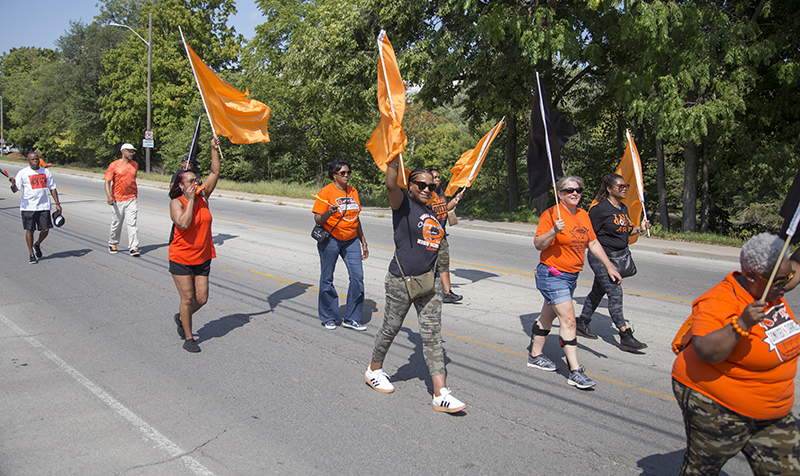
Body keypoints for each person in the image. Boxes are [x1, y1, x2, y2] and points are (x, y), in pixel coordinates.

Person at [671, 233, 800, 475]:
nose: (787, 284)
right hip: (719, 406)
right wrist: (741, 324)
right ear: (751, 275)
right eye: (780, 280)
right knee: (702, 470)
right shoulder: (719, 299)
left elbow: (796, 267)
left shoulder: (772, 288)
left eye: (789, 277)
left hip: (774, 412)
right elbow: (705, 350)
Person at [364, 156, 466, 413]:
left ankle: (440, 393)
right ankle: (374, 370)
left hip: (429, 282)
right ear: (409, 186)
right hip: (402, 279)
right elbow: (390, 186)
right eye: (420, 184)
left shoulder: (434, 212)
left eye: (430, 186)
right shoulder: (404, 206)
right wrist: (393, 160)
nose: (425, 189)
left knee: (432, 335)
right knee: (391, 327)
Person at [528, 176, 622, 389]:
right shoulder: (551, 214)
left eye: (578, 190)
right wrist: (554, 230)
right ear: (560, 193)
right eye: (569, 190)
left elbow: (593, 242)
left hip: (571, 276)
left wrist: (609, 266)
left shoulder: (583, 215)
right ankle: (575, 371)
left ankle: (535, 356)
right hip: (552, 275)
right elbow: (538, 244)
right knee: (569, 320)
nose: (575, 193)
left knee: (547, 316)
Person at [576, 173, 650, 351]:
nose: (624, 189)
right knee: (615, 293)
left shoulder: (622, 208)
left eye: (626, 186)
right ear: (609, 189)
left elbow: (624, 230)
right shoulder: (599, 210)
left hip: (619, 256)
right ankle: (625, 335)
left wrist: (640, 228)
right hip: (602, 257)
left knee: (597, 292)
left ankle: (582, 322)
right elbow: (589, 236)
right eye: (620, 186)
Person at [168, 136, 221, 353]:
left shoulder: (204, 196)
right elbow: (183, 223)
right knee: (187, 298)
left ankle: (182, 316)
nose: (195, 183)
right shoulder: (177, 203)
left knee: (202, 298)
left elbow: (215, 173)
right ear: (181, 185)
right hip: (181, 257)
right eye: (190, 181)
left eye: (196, 180)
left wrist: (213, 149)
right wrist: (190, 200)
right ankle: (189, 337)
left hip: (203, 255)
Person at [312, 159, 369, 331]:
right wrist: (329, 211)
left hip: (351, 240)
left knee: (357, 277)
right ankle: (329, 316)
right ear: (334, 175)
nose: (346, 175)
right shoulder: (326, 192)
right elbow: (317, 218)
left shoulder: (353, 191)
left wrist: (363, 242)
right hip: (331, 240)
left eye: (348, 172)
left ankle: (351, 318)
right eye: (342, 173)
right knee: (327, 278)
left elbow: (355, 218)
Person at [8, 152, 62, 264]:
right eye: (32, 159)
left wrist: (57, 203)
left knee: (45, 229)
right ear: (28, 161)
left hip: (43, 206)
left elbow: (52, 188)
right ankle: (31, 254)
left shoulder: (45, 172)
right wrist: (13, 184)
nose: (35, 161)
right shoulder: (23, 173)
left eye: (37, 159)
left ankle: (37, 244)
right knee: (30, 230)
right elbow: (15, 189)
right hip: (28, 207)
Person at [428, 168, 465, 304]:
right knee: (429, 264)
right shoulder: (426, 194)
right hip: (429, 236)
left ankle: (447, 292)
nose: (438, 179)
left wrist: (456, 199)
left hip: (441, 235)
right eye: (435, 177)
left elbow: (445, 208)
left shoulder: (441, 193)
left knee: (443, 262)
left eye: (439, 177)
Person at [104, 143, 140, 256]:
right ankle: (113, 243)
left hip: (131, 198)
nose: (131, 153)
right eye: (129, 151)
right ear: (123, 151)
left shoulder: (134, 165)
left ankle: (133, 247)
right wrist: (109, 196)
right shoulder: (114, 165)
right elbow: (107, 181)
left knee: (132, 223)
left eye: (132, 151)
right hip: (118, 198)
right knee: (117, 223)